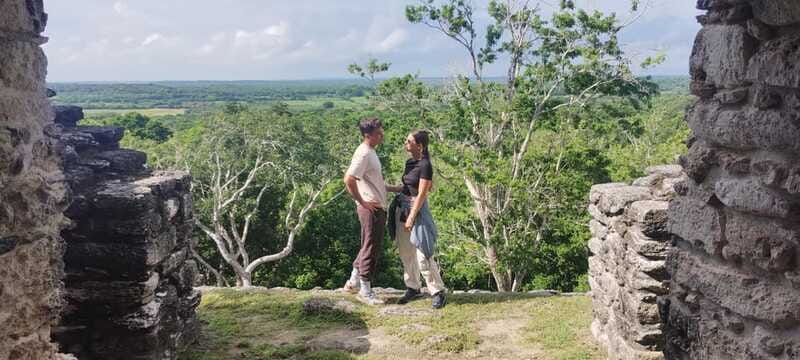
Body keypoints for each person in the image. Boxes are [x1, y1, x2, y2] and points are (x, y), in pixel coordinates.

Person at [342, 117, 402, 305]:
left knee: (366, 245)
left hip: (375, 206)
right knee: (371, 247)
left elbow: (373, 182)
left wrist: (396, 188)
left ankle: (353, 282)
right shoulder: (364, 154)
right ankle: (365, 290)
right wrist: (362, 201)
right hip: (371, 208)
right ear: (368, 135)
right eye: (378, 133)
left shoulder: (370, 152)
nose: (381, 136)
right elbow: (348, 179)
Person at [389, 130, 447, 309]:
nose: (405, 143)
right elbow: (407, 187)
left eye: (409, 141)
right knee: (406, 252)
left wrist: (411, 217)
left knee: (423, 253)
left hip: (417, 212)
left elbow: (422, 193)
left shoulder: (425, 165)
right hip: (403, 208)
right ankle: (413, 287)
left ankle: (437, 291)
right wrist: (387, 187)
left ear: (419, 146)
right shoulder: (409, 163)